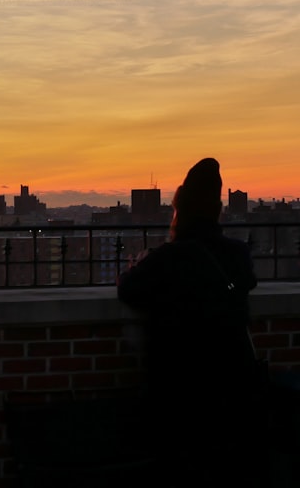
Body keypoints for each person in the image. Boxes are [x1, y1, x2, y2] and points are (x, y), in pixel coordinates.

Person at [117, 158, 265, 487]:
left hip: (178, 390)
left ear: (179, 211)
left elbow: (129, 291)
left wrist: (139, 265)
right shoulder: (237, 253)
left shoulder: (168, 258)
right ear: (217, 210)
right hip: (232, 385)